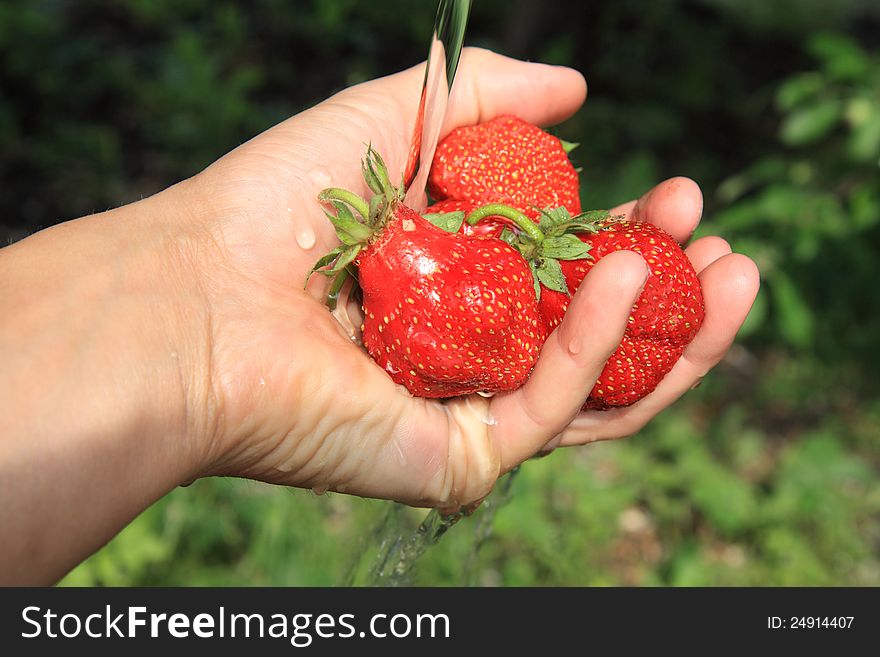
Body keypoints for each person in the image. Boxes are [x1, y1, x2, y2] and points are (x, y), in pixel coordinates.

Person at [0, 48, 759, 585]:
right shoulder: (452, 248)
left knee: (618, 281)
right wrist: (206, 305)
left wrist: (200, 326)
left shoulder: (519, 246)